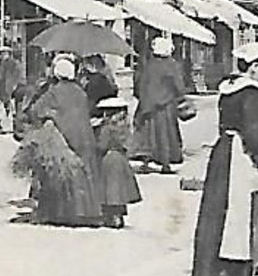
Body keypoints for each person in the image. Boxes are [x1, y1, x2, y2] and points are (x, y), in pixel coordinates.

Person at [188, 42, 258, 276]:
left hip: (224, 150)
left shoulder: (228, 90)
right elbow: (256, 132)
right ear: (253, 67)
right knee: (239, 214)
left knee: (218, 210)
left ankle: (210, 269)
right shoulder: (252, 94)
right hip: (240, 156)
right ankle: (235, 275)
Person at [12, 55, 104, 227]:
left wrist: (47, 116)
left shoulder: (54, 91)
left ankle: (62, 213)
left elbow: (35, 111)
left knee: (60, 173)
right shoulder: (80, 91)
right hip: (84, 136)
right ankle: (86, 211)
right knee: (84, 172)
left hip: (63, 136)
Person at [132, 36, 188, 174]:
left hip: (148, 104)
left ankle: (146, 161)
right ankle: (166, 163)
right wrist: (181, 96)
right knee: (166, 134)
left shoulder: (149, 65)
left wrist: (143, 98)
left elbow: (140, 84)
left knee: (148, 134)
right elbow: (179, 85)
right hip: (166, 105)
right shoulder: (171, 64)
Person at [93, 97, 140, 228]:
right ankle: (119, 215)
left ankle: (110, 216)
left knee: (109, 190)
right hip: (121, 159)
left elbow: (102, 145)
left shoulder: (107, 128)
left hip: (108, 159)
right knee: (119, 189)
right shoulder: (124, 127)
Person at [0, 45, 24, 120]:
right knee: (1, 106)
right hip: (1, 87)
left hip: (9, 87)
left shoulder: (14, 63)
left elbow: (17, 75)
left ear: (8, 53)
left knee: (10, 106)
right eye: (1, 53)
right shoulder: (1, 63)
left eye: (3, 53)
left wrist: (14, 85)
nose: (2, 55)